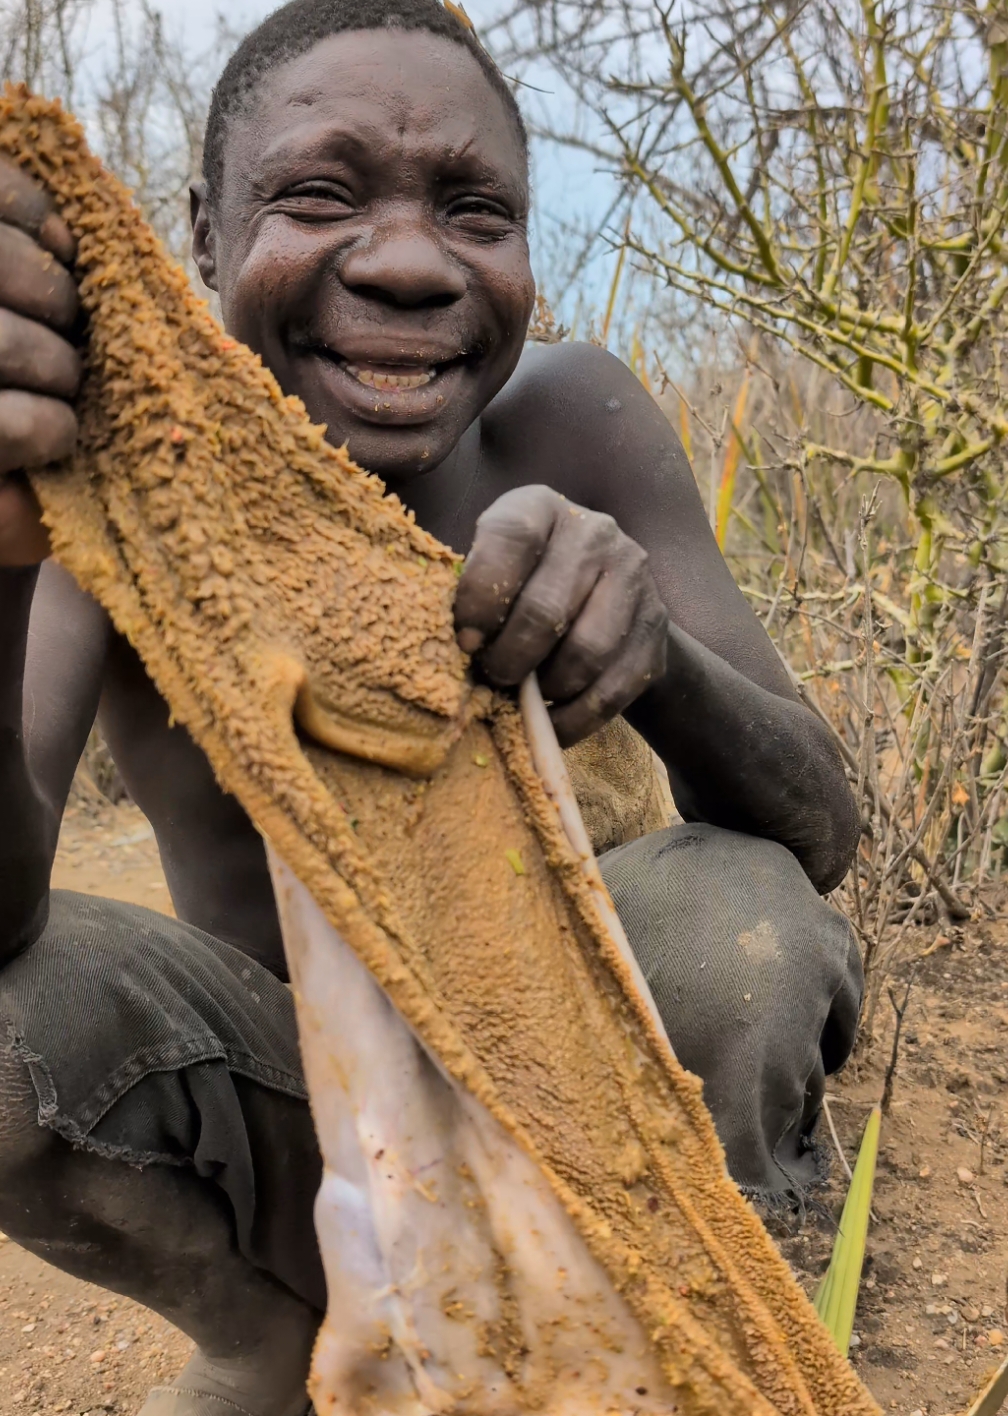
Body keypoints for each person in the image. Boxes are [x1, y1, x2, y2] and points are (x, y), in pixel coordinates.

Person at [0, 2, 864, 1412]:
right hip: (315, 1126)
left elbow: (819, 828)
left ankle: (707, 1303)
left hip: (603, 1089)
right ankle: (273, 1325)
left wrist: (658, 649)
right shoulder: (119, 476)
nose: (408, 261)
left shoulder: (573, 419)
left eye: (476, 209)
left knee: (738, 928)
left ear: (527, 247)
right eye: (317, 195)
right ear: (205, 234)